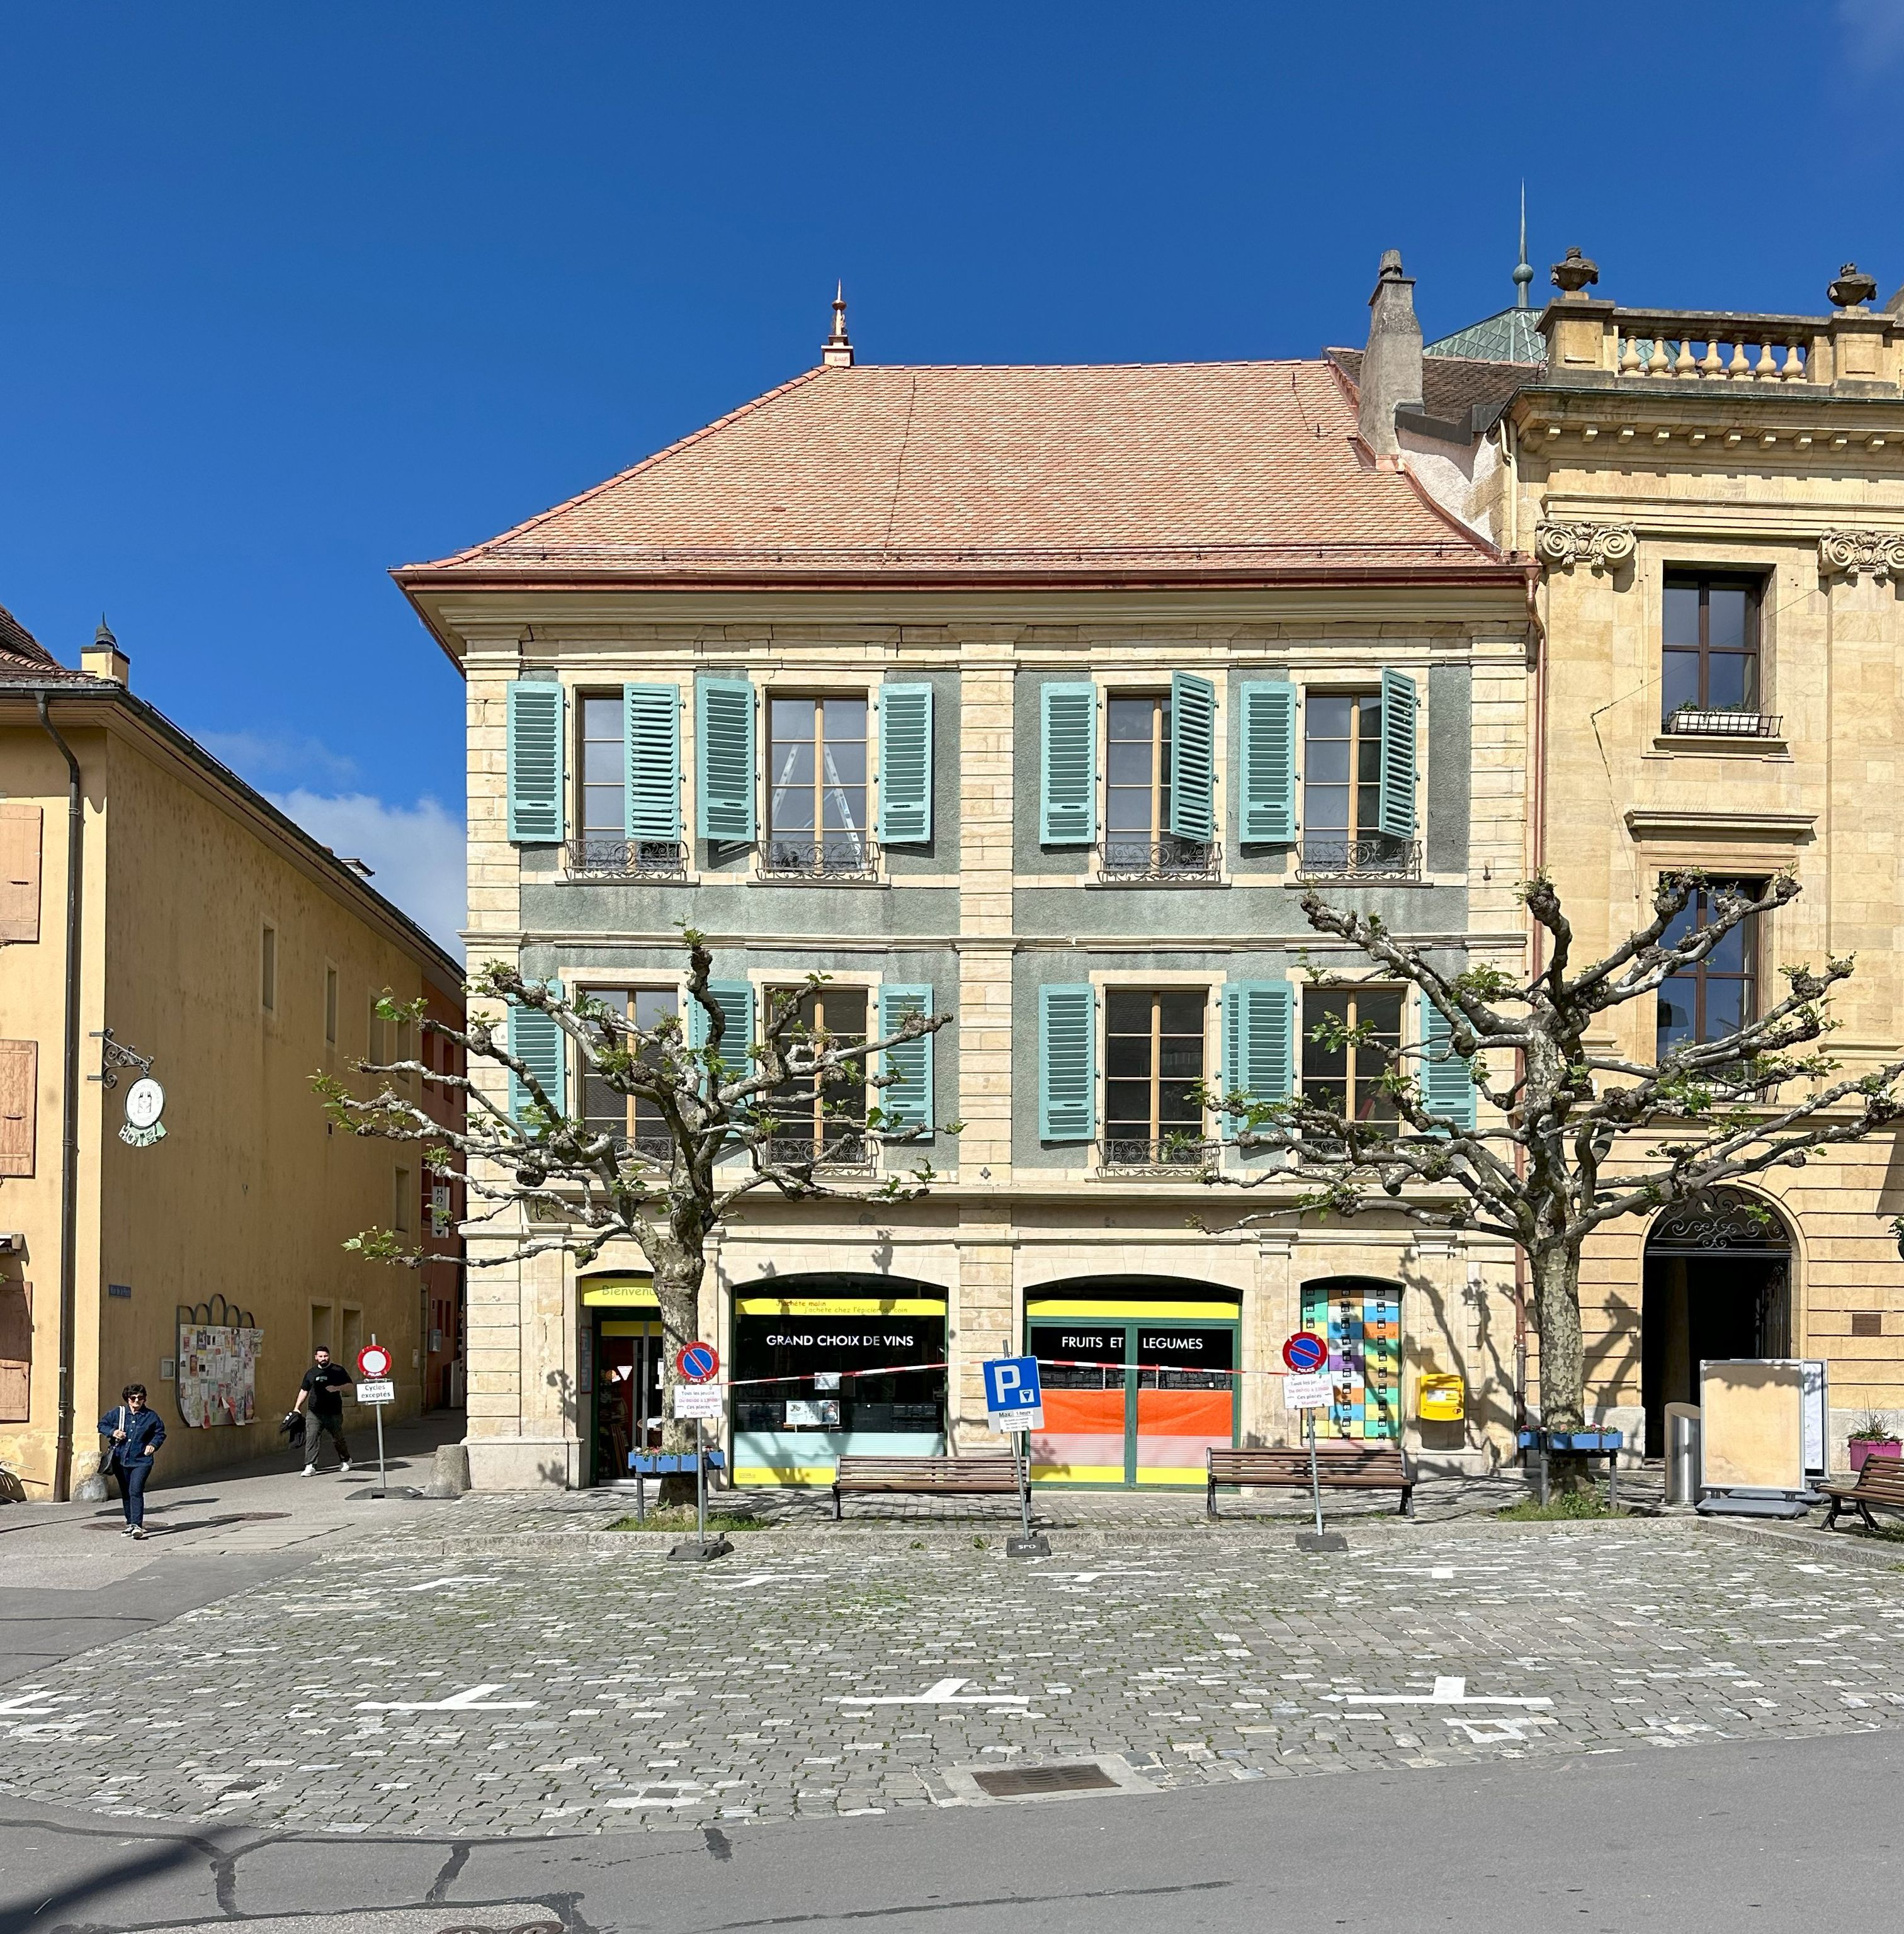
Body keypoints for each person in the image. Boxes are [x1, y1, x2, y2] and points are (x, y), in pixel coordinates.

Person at [98, 1384, 165, 1537]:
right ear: (127, 1399)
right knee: (126, 1492)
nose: (137, 1401)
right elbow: (102, 1425)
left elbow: (160, 1433)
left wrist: (153, 1445)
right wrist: (113, 1432)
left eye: (140, 1398)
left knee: (135, 1490)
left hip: (142, 1460)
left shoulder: (151, 1416)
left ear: (144, 1399)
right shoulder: (118, 1413)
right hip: (120, 1459)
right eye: (133, 1398)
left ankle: (137, 1525)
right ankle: (130, 1523)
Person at [294, 1345, 354, 1474]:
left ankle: (346, 1460)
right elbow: (304, 1390)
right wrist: (297, 1407)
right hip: (314, 1411)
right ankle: (310, 1465)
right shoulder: (311, 1373)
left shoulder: (338, 1370)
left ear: (329, 1356)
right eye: (320, 1356)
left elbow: (350, 1386)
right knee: (312, 1437)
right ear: (316, 1358)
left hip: (334, 1411)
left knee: (337, 1438)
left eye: (326, 1356)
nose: (323, 1359)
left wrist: (336, 1388)